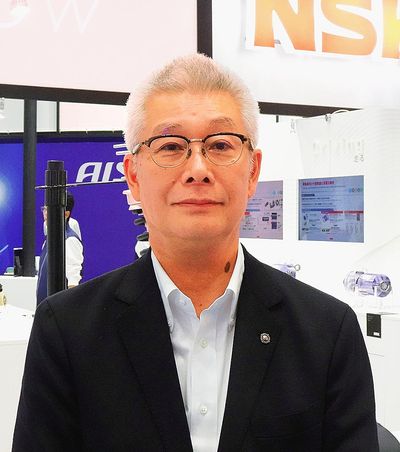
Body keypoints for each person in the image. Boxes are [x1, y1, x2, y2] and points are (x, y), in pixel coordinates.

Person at [13, 54, 378, 451]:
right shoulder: (66, 332)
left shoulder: (327, 333)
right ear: (133, 176)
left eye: (220, 144)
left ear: (253, 171)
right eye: (171, 146)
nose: (198, 169)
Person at [36, 192, 84, 306]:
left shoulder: (70, 240)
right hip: (44, 305)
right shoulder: (49, 239)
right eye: (44, 209)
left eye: (49, 210)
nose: (45, 213)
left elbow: (73, 280)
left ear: (66, 214)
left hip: (57, 307)